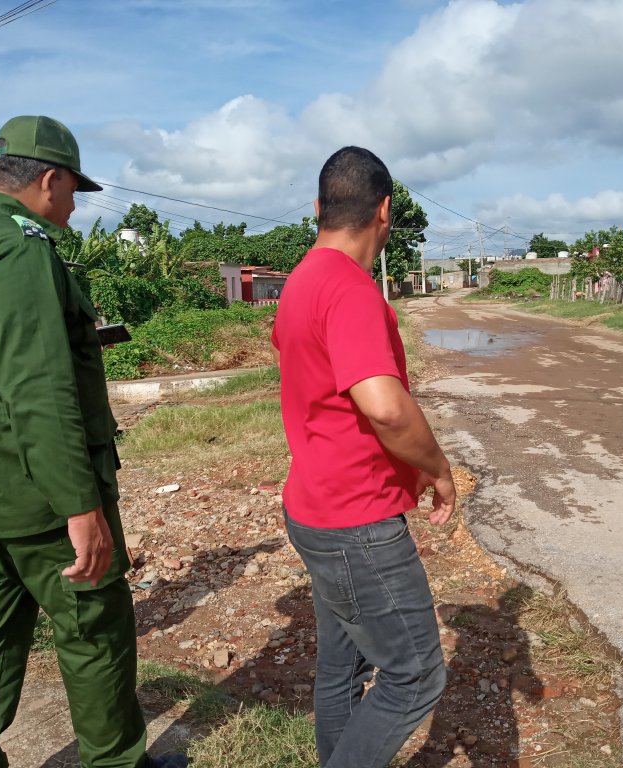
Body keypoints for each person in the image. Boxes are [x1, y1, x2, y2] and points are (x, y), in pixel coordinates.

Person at [0, 115, 184, 768]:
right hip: (39, 501)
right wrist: (80, 506)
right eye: (71, 193)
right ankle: (116, 760)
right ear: (49, 180)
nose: (70, 207)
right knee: (93, 630)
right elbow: (37, 386)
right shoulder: (17, 247)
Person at [271, 146, 456, 768]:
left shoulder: (299, 280)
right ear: (384, 211)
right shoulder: (348, 289)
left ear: (319, 208)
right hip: (356, 519)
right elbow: (384, 406)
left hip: (315, 506)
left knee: (341, 665)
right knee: (415, 677)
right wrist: (438, 469)